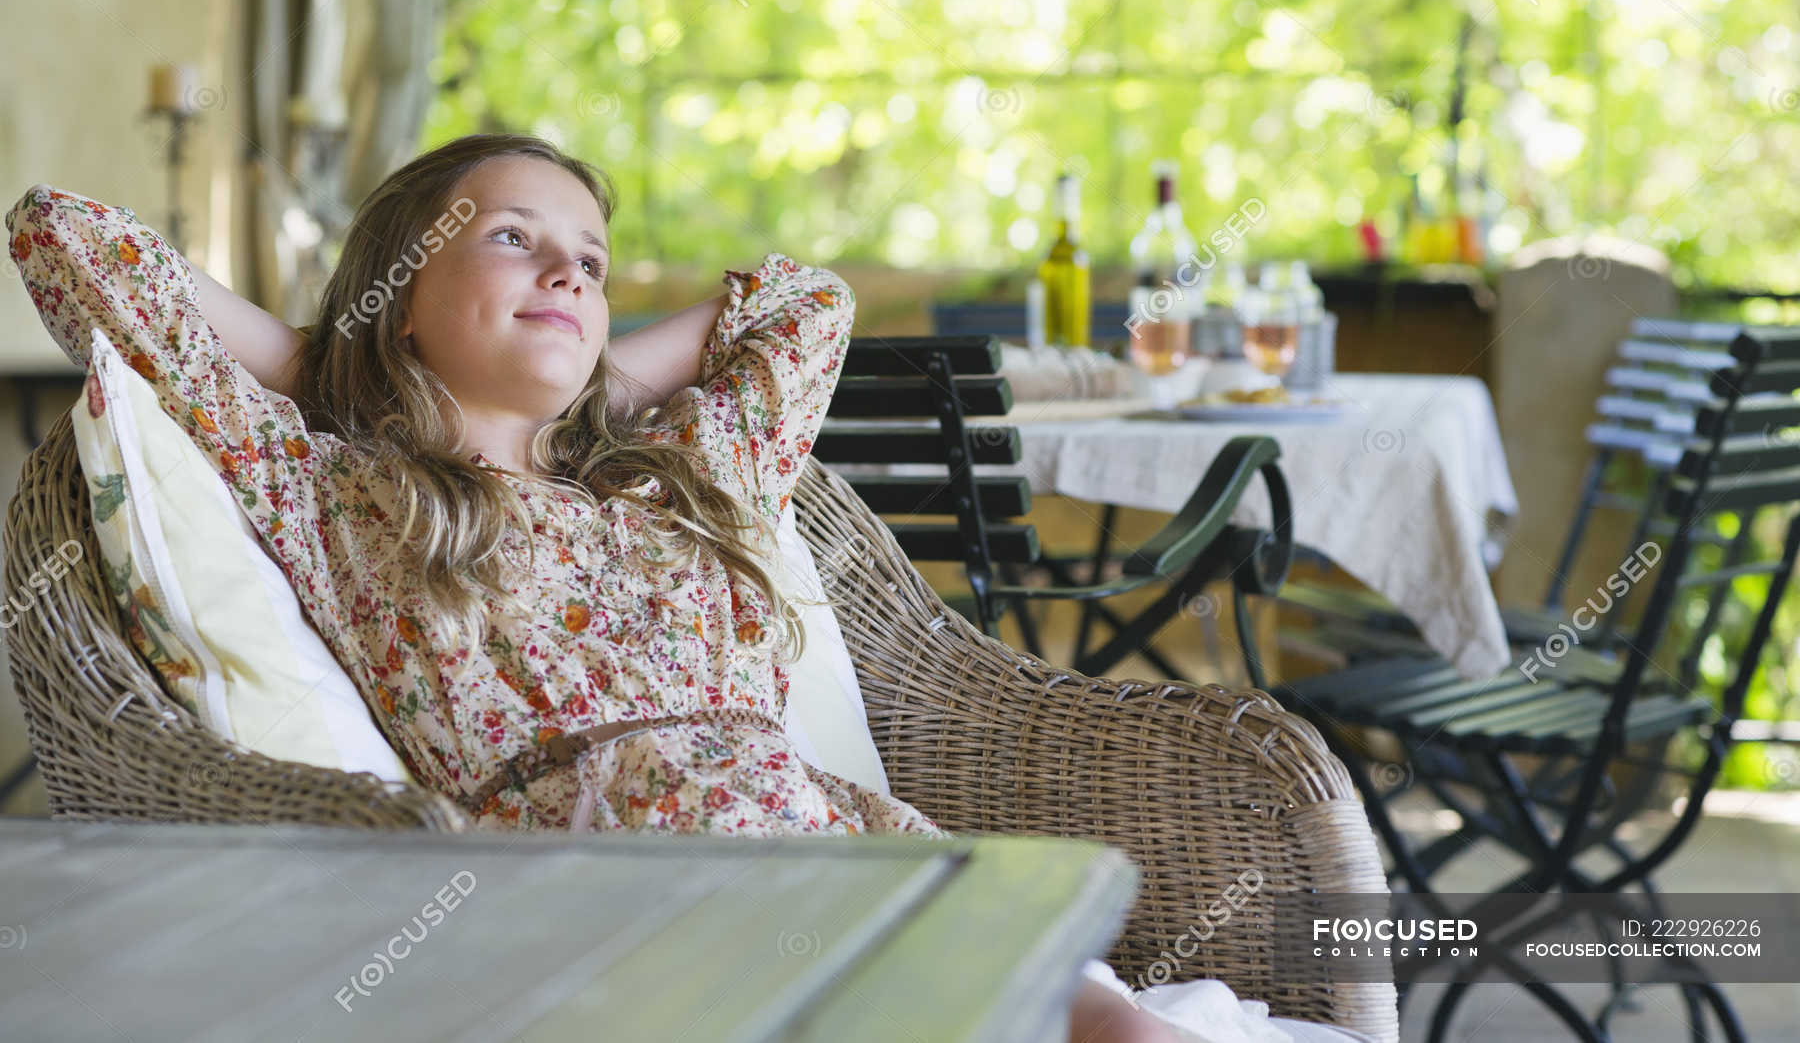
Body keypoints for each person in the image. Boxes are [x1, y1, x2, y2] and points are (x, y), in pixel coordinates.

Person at [7, 133, 1182, 1042]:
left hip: (846, 842)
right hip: (610, 871)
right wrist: (338, 360)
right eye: (516, 238)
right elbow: (66, 238)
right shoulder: (338, 485)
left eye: (594, 264)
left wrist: (596, 382)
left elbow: (804, 305)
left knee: (1117, 1023)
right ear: (403, 290)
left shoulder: (682, 478)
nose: (570, 269)